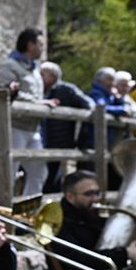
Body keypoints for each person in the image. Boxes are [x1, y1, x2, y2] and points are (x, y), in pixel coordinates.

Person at [0, 28, 60, 196]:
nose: (42, 48)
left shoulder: (35, 69)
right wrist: (39, 103)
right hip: (14, 126)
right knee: (9, 173)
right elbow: (4, 92)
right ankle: (1, 212)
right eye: (40, 44)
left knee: (39, 172)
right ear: (30, 45)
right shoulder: (10, 66)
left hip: (32, 128)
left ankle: (28, 212)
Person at [39, 61, 94, 193]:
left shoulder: (66, 89)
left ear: (53, 76)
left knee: (52, 177)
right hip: (43, 140)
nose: (39, 77)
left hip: (59, 140)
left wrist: (81, 134)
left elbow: (88, 104)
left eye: (43, 74)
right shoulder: (40, 91)